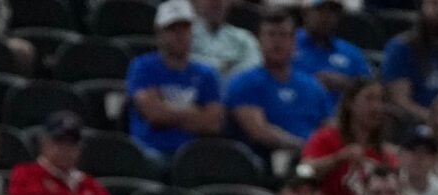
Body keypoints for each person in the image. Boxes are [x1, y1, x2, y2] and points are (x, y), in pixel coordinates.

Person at [127, 0, 228, 159]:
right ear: (159, 33)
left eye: (185, 29)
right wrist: (195, 112)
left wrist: (167, 112)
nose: (179, 35)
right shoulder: (143, 67)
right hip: (151, 151)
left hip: (194, 154)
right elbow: (154, 114)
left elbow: (213, 123)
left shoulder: (207, 73)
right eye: (172, 29)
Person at [228, 3, 332, 156]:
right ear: (259, 40)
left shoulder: (313, 86)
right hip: (267, 162)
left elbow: (328, 127)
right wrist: (305, 148)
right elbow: (259, 131)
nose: (277, 42)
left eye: (283, 35)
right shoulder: (244, 82)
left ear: (294, 41)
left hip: (313, 162)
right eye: (271, 34)